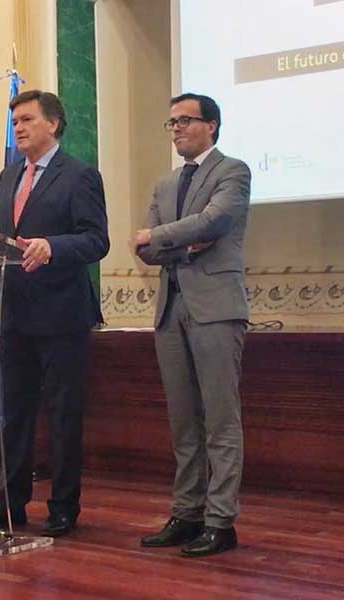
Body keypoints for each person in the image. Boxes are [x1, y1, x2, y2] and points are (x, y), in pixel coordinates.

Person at [0, 90, 109, 537]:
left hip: (62, 316)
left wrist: (52, 246)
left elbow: (96, 240)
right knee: (13, 415)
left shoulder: (79, 176)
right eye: (14, 121)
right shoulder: (7, 177)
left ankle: (63, 506)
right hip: (15, 314)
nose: (18, 128)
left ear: (53, 124)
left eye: (27, 119)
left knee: (62, 415)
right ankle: (11, 503)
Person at [133, 93, 251, 557]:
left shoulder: (233, 171)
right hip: (171, 309)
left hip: (216, 307)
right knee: (183, 422)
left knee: (220, 420)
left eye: (185, 120)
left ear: (212, 125)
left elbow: (214, 220)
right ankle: (187, 513)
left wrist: (160, 237)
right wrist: (180, 244)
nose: (177, 129)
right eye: (172, 122)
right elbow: (145, 250)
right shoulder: (165, 184)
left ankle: (221, 522)